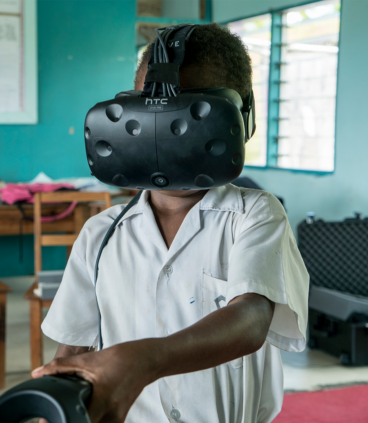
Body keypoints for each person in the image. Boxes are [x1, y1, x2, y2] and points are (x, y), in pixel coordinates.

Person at [32, 23, 308, 423]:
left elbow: (249, 320)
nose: (166, 136)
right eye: (150, 115)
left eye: (191, 117)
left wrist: (148, 358)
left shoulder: (256, 214)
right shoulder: (101, 234)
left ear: (241, 115)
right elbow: (73, 350)